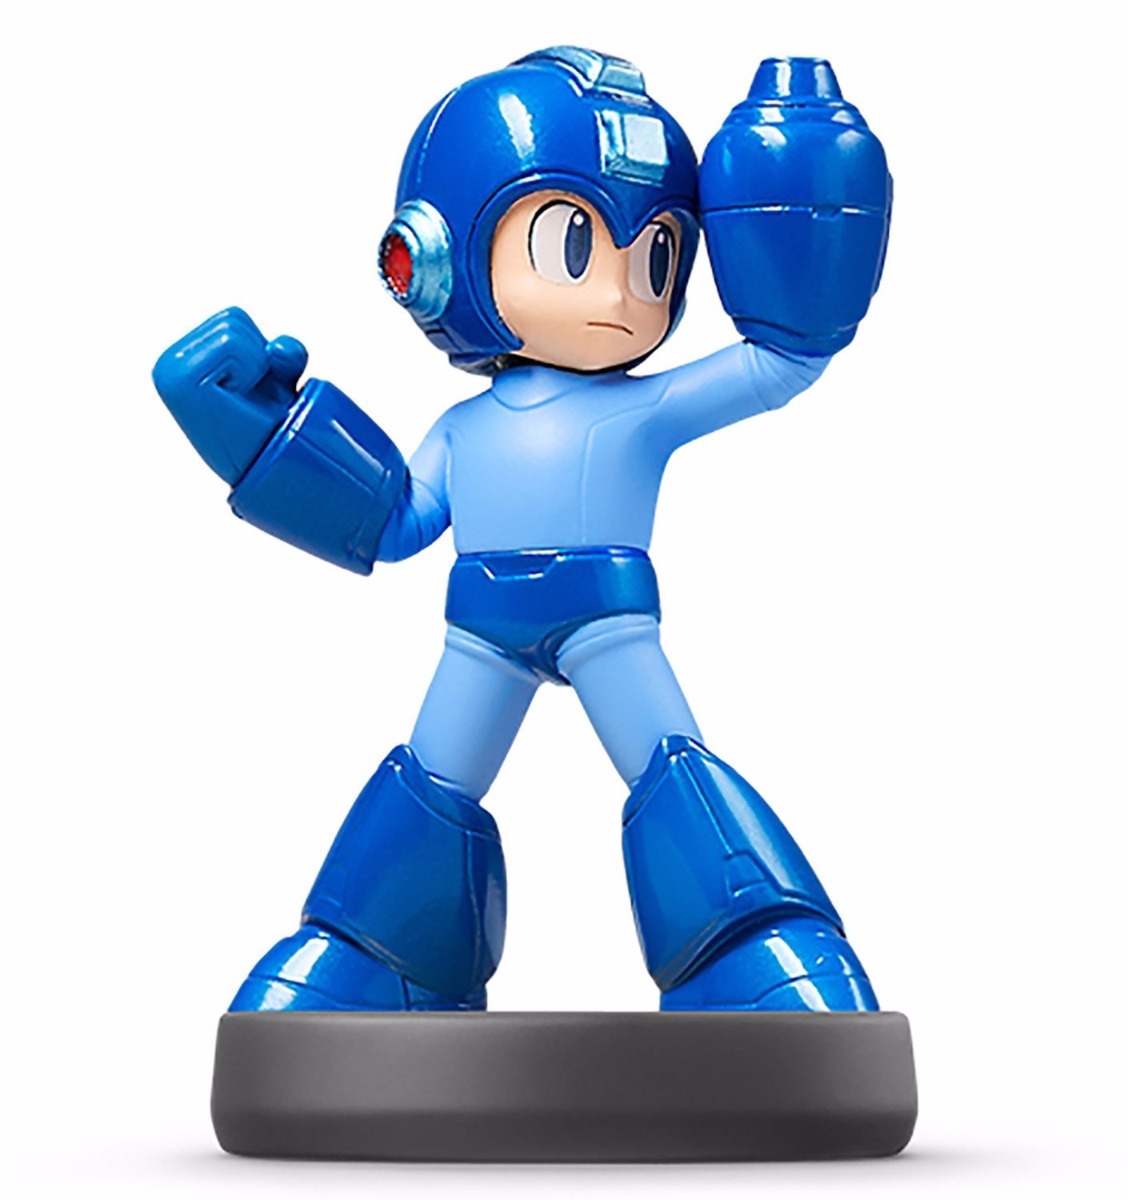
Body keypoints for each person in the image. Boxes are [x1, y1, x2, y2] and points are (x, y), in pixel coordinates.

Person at [154, 46, 891, 1015]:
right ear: (439, 260)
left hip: (607, 626)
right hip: (481, 635)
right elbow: (395, 520)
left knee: (672, 765)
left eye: (657, 255)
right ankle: (386, 955)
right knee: (432, 780)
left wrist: (805, 242)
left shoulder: (643, 407)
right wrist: (267, 439)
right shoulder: (464, 428)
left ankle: (749, 942)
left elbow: (778, 367)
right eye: (575, 244)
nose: (623, 293)